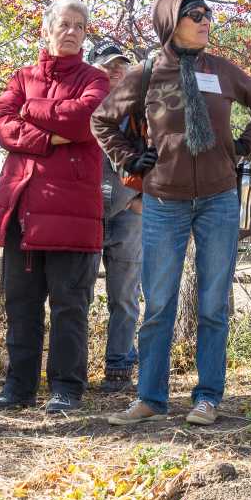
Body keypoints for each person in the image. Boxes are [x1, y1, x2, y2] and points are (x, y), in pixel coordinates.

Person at [93, 0, 251, 426]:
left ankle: (208, 397)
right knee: (158, 304)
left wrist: (243, 146)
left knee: (213, 303)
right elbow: (102, 120)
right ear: (170, 22)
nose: (205, 19)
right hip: (163, 202)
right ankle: (150, 398)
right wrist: (127, 157)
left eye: (208, 13)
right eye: (194, 14)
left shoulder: (222, 70)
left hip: (218, 199)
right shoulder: (145, 73)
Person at [0, 0, 109, 413]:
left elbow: (82, 119)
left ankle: (66, 389)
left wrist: (31, 112)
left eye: (79, 26)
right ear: (46, 30)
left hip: (72, 213)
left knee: (70, 306)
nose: (71, 32)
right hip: (24, 210)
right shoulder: (22, 76)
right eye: (64, 24)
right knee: (21, 304)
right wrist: (47, 137)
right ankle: (18, 390)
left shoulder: (96, 79)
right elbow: (2, 123)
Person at [90, 40, 143, 393]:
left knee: (124, 296)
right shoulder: (82, 108)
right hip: (86, 215)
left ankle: (120, 365)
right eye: (108, 64)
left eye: (121, 64)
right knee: (76, 295)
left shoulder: (140, 111)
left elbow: (159, 153)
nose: (116, 69)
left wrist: (141, 198)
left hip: (127, 213)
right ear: (92, 66)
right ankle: (72, 369)